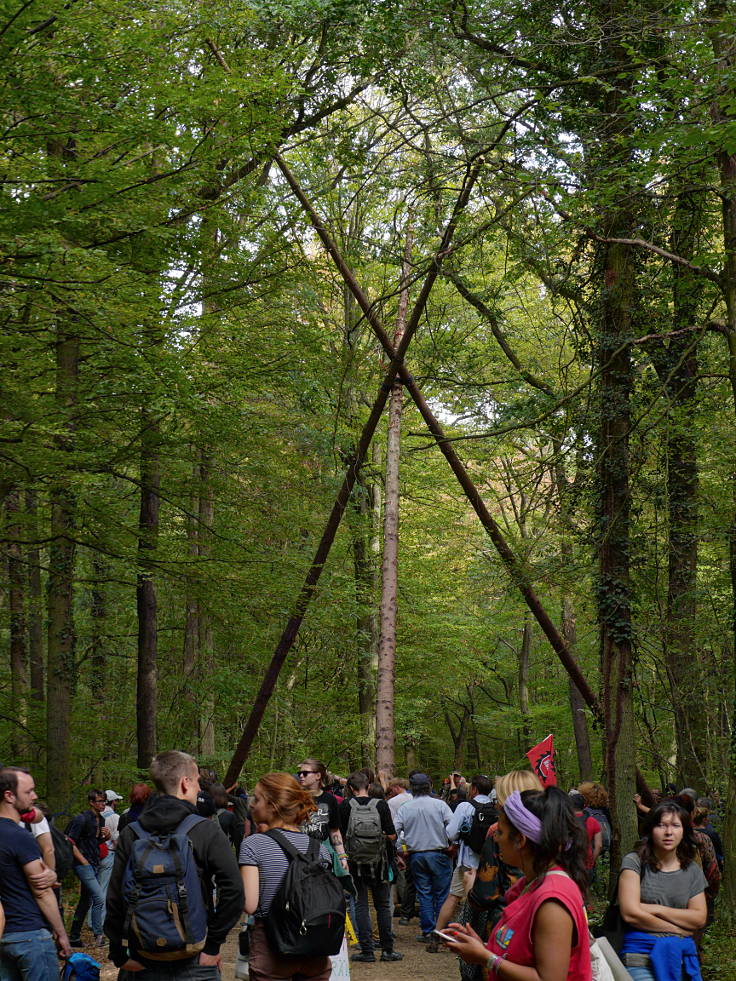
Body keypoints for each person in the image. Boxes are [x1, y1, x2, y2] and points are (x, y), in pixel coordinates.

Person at [105, 750, 243, 977]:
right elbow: (234, 890)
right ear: (185, 783)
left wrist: (119, 954)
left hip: (142, 956)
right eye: (197, 781)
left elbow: (115, 897)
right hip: (195, 958)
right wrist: (213, 945)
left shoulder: (132, 833)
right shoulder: (205, 830)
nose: (200, 788)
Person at [442, 785, 591, 981]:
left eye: (501, 832)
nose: (495, 838)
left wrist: (486, 957)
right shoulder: (531, 884)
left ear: (520, 840)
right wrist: (482, 948)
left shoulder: (552, 901)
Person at [239, 772, 334, 981]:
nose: (252, 804)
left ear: (273, 806)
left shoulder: (253, 844)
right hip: (316, 947)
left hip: (273, 946)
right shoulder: (320, 849)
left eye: (257, 798)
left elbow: (250, 904)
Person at [618, 798, 707, 981]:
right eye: (661, 825)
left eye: (675, 826)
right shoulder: (634, 862)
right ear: (651, 829)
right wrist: (676, 929)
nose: (668, 832)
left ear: (684, 831)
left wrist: (655, 908)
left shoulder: (692, 871)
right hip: (639, 957)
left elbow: (698, 918)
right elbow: (630, 913)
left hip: (679, 956)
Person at [0, 766, 71, 981]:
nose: (35, 796)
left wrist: (50, 872)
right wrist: (61, 933)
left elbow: (37, 815)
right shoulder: (18, 836)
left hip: (4, 937)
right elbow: (41, 891)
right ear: (9, 796)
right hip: (29, 935)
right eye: (29, 792)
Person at [339, 771, 403, 963]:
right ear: (368, 786)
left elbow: (341, 836)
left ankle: (367, 951)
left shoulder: (345, 805)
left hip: (355, 862)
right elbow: (393, 836)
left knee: (360, 905)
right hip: (379, 863)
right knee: (382, 905)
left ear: (350, 788)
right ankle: (387, 950)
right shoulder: (381, 805)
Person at [433, 774, 494, 946]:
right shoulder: (495, 807)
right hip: (487, 863)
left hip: (466, 862)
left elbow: (451, 833)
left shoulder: (465, 806)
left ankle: (438, 935)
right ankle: (479, 937)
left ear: (474, 789)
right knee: (481, 901)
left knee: (454, 897)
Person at [393, 772, 453, 943]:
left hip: (417, 855)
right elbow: (453, 827)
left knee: (424, 893)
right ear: (429, 786)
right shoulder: (440, 805)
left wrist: (399, 850)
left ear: (412, 787)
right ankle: (441, 931)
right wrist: (451, 842)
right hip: (438, 853)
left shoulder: (405, 808)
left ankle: (428, 931)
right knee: (441, 893)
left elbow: (395, 830)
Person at [66, 788, 110, 947]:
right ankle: (99, 935)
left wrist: (107, 837)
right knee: (99, 897)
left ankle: (74, 937)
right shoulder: (81, 819)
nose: (102, 804)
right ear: (91, 802)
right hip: (83, 864)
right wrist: (82, 861)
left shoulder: (102, 820)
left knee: (85, 901)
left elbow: (94, 842)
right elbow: (69, 841)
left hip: (95, 862)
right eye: (99, 801)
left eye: (104, 801)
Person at [296, 758, 349, 872]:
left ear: (318, 776)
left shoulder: (330, 800)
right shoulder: (295, 798)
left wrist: (342, 856)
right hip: (299, 854)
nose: (301, 776)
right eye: (299, 773)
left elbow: (334, 831)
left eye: (305, 773)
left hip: (323, 856)